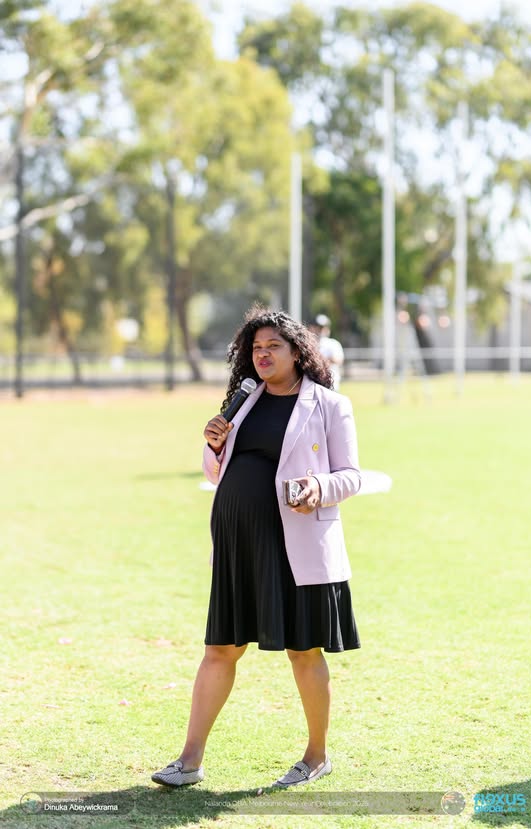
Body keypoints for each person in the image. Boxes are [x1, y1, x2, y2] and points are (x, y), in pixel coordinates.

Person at [152, 305, 361, 790]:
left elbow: (350, 475)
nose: (262, 355)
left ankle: (316, 756)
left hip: (296, 544)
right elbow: (215, 471)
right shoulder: (242, 401)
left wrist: (319, 489)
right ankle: (189, 760)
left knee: (303, 651)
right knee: (220, 648)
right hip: (237, 543)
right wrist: (215, 446)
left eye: (273, 347)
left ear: (297, 351)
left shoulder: (330, 404)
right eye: (256, 348)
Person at [312, 314, 345, 391]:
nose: (320, 330)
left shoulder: (333, 343)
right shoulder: (310, 344)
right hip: (314, 385)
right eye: (318, 327)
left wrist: (320, 360)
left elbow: (339, 360)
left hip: (331, 384)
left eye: (323, 327)